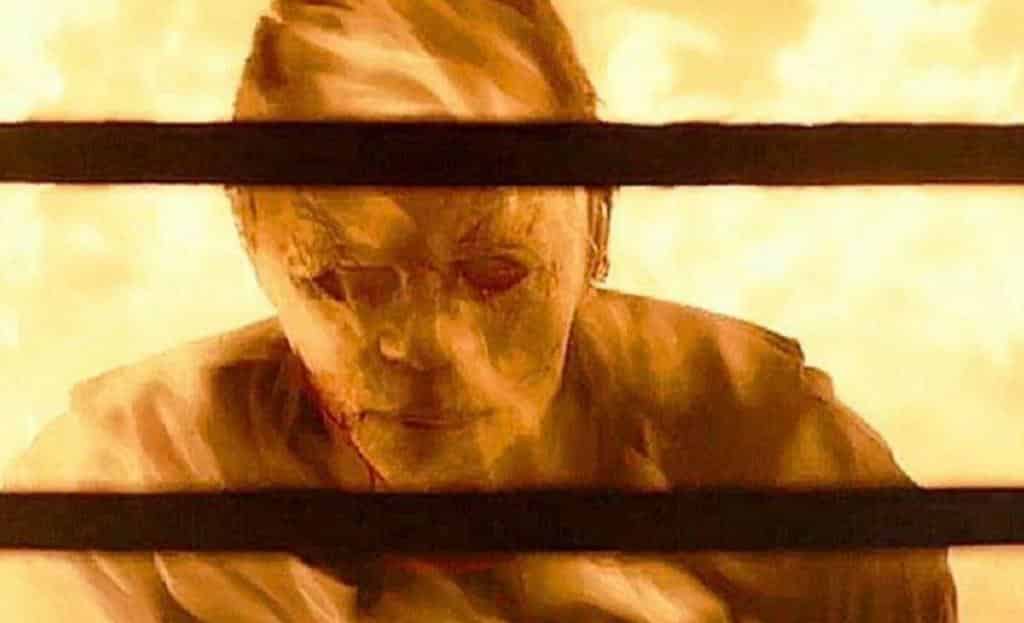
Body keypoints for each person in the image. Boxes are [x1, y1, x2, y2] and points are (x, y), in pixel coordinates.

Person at [0, 0, 957, 621]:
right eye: (345, 280)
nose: (424, 345)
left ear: (596, 225)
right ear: (251, 241)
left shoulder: (799, 476)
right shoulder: (120, 494)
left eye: (494, 274)